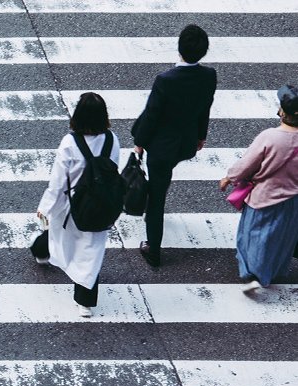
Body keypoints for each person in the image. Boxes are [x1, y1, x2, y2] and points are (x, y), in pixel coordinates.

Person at [132, 24, 217, 268]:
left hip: (161, 147)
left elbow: (152, 114)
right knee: (163, 178)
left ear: (179, 48)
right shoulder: (209, 76)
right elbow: (205, 108)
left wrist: (140, 143)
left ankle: (153, 250)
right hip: (185, 143)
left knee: (156, 198)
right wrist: (201, 136)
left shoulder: (165, 80)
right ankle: (158, 192)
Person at [32, 92, 120, 318]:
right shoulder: (112, 140)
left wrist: (46, 207)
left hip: (73, 204)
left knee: (59, 234)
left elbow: (58, 181)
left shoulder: (70, 143)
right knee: (91, 251)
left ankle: (40, 251)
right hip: (101, 204)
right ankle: (85, 302)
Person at [220, 85, 298, 292]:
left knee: (252, 234)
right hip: (292, 199)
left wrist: (230, 177)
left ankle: (252, 274)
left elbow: (247, 164)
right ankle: (273, 270)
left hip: (264, 196)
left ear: (282, 112)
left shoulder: (270, 137)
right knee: (282, 235)